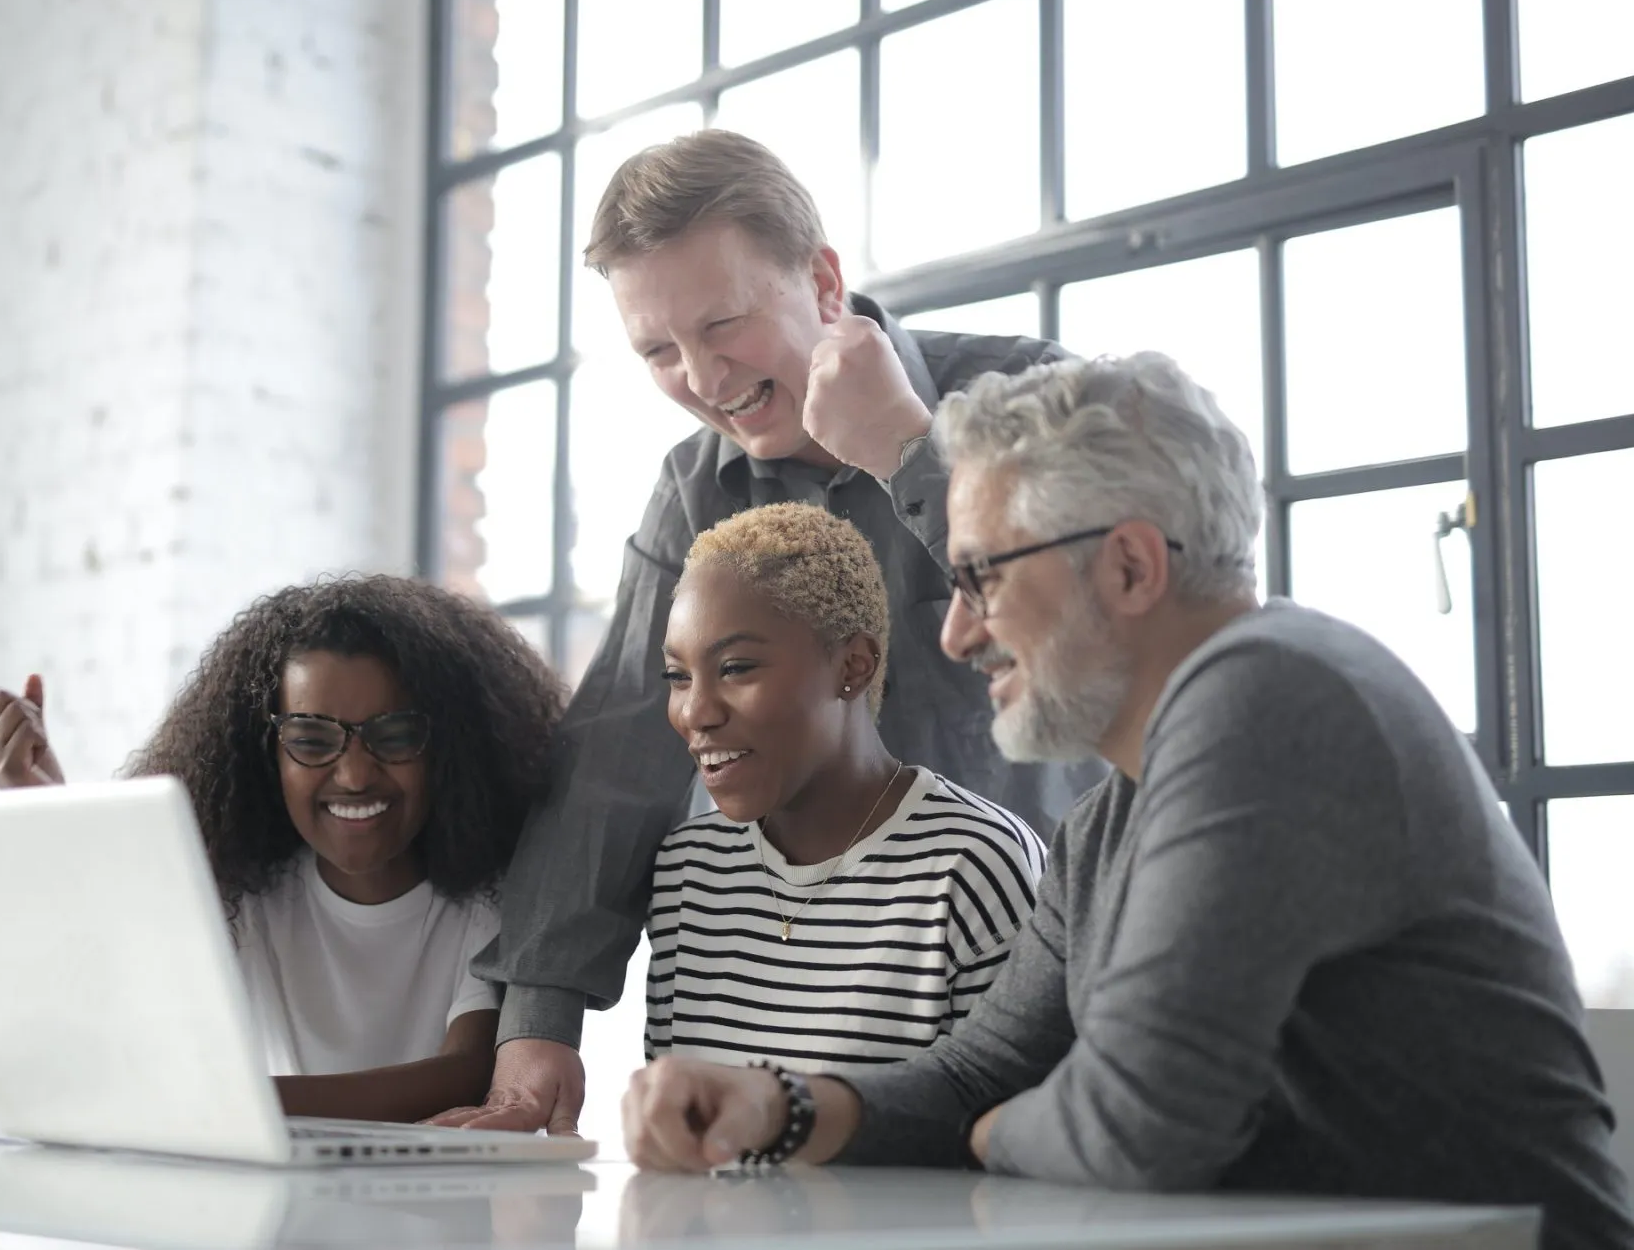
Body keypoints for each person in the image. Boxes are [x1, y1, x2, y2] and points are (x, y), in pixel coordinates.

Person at [620, 353, 1634, 1250]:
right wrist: (780, 1105)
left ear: (1129, 565)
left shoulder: (1270, 695)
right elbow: (978, 1073)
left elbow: (1132, 1128)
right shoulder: (1110, 815)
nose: (956, 635)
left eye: (979, 579)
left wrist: (993, 1132)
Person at [436, 129, 1103, 1135]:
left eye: (722, 325)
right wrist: (539, 1015)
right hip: (789, 1019)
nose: (699, 377)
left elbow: (1091, 629)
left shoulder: (1029, 398)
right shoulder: (691, 487)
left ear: (823, 280)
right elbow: (615, 753)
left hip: (1026, 1002)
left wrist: (905, 452)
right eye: (656, 350)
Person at [0, 575, 566, 1125]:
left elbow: (464, 1075)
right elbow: (107, 988)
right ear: (266, 755)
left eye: (396, 735)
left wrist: (228, 1103)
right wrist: (38, 803)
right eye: (311, 739)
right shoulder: (238, 895)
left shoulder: (490, 896)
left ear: (448, 748)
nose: (355, 775)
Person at [646, 502, 1046, 1073]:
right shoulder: (689, 870)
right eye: (677, 677)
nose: (695, 712)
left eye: (735, 668)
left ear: (853, 666)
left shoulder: (974, 866)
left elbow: (1013, 1128)